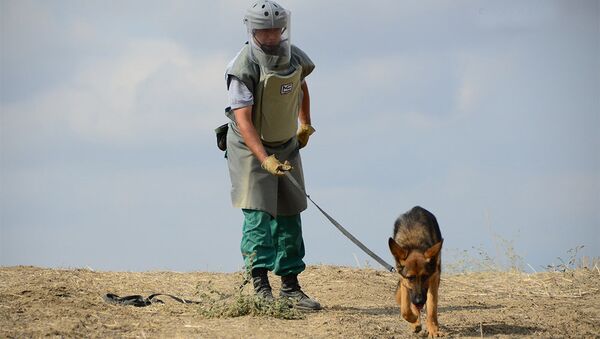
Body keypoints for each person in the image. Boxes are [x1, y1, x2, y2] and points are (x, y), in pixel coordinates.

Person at [223, 0, 320, 311]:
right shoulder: (243, 67)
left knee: (291, 211)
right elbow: (243, 120)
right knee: (258, 213)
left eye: (278, 28)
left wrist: (304, 123)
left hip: (285, 142)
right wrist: (264, 159)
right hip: (250, 146)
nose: (273, 35)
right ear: (254, 30)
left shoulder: (292, 55)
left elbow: (301, 86)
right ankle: (261, 286)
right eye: (266, 30)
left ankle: (291, 287)